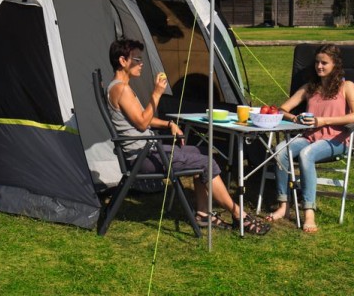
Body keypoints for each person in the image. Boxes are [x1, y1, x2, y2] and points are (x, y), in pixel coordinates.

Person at [107, 37, 269, 235]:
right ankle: (238, 213)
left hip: (146, 150)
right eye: (137, 60)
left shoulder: (119, 87)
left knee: (203, 151)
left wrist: (168, 123)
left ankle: (202, 213)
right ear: (123, 61)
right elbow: (142, 123)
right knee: (206, 163)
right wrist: (156, 94)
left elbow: (141, 119)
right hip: (143, 155)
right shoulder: (121, 89)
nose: (141, 64)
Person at [266, 44, 354, 233]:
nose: (319, 66)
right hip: (309, 137)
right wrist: (296, 118)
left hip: (336, 140)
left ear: (335, 64)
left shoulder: (347, 86)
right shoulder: (310, 88)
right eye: (317, 62)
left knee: (306, 154)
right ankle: (283, 205)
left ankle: (309, 211)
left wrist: (323, 120)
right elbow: (281, 109)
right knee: (280, 151)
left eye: (324, 63)